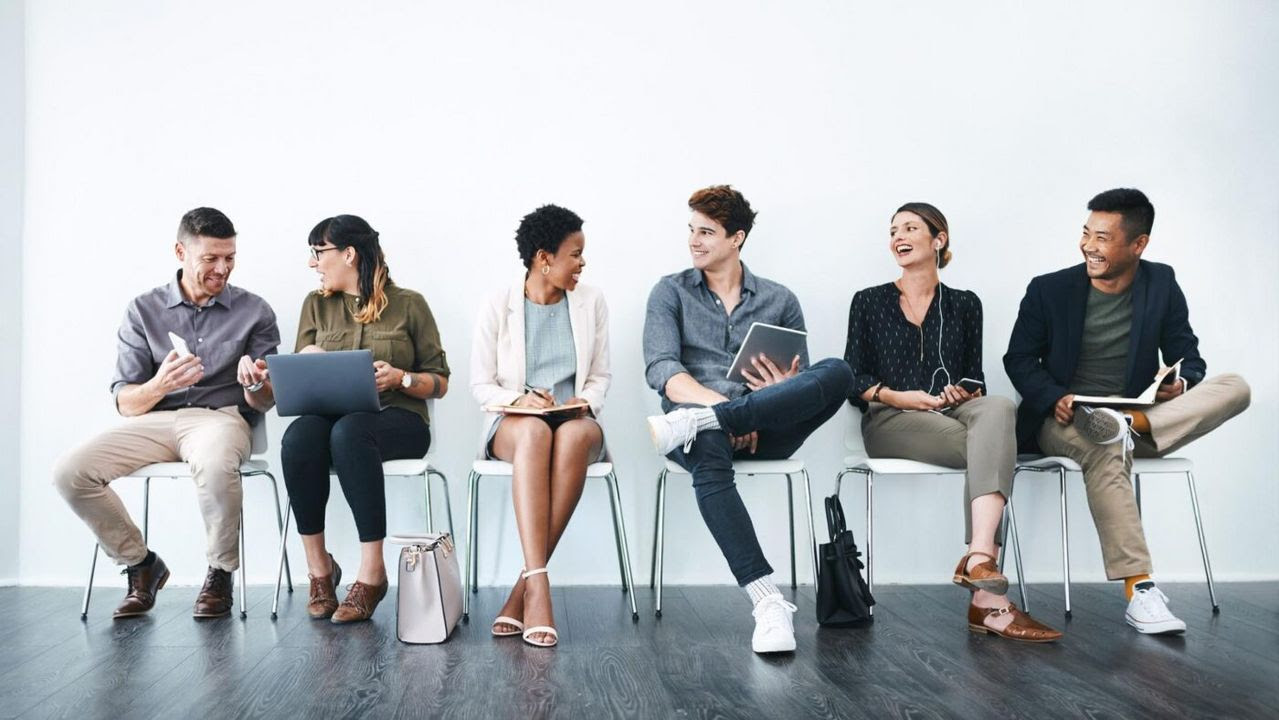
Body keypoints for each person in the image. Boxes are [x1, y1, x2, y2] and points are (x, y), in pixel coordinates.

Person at [1004, 188, 1250, 634]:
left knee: (1236, 387)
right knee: (1106, 445)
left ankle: (1131, 422)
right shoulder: (1049, 289)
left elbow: (1188, 355)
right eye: (1086, 234)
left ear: (1139, 245)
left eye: (1102, 237)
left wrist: (1179, 382)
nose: (1088, 246)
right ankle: (1139, 590)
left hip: (1139, 420)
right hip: (1067, 419)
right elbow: (1018, 359)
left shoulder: (1162, 282)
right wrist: (1053, 395)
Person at [643, 185, 853, 654]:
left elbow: (802, 389)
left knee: (838, 371)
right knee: (709, 443)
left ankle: (715, 420)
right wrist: (724, 410)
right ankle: (767, 601)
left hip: (763, 424)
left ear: (736, 238)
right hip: (692, 421)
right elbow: (663, 373)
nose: (694, 241)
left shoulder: (780, 299)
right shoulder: (670, 292)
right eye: (691, 230)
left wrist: (776, 391)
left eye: (707, 232)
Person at [845, 202, 1061, 642]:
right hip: (890, 418)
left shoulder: (965, 304)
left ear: (938, 239)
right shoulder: (868, 301)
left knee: (999, 407)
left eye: (910, 227)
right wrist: (895, 396)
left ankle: (978, 555)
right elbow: (853, 379)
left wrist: (964, 392)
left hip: (951, 412)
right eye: (893, 230)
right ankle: (988, 602)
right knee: (995, 447)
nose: (898, 237)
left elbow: (975, 377)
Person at [54, 207, 280, 619]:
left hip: (220, 417)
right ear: (180, 251)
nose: (222, 268)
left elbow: (265, 402)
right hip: (154, 420)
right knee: (70, 472)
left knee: (214, 464)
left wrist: (255, 385)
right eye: (210, 258)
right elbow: (125, 403)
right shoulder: (143, 309)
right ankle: (141, 564)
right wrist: (162, 384)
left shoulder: (255, 311)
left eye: (229, 257)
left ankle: (219, 572)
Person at [273, 215, 450, 624]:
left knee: (350, 433)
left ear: (348, 254)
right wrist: (306, 361)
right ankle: (320, 570)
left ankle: (372, 572)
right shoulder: (315, 305)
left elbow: (439, 382)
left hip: (399, 421)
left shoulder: (410, 304)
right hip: (333, 420)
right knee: (299, 438)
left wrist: (402, 378)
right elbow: (302, 375)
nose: (313, 263)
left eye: (319, 253)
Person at [470, 205, 610, 648]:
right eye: (575, 254)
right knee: (534, 431)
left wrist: (580, 402)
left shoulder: (591, 301)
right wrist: (520, 401)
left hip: (574, 420)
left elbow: (601, 375)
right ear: (543, 258)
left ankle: (524, 588)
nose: (582, 263)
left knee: (567, 435)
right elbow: (481, 384)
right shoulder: (499, 303)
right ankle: (540, 590)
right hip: (515, 423)